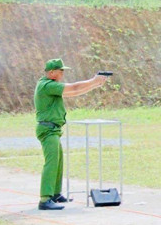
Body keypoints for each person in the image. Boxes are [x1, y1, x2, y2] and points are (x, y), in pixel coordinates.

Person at [34, 59, 108, 211]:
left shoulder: (49, 85)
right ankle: (45, 198)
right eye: (60, 70)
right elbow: (73, 87)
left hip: (53, 129)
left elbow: (74, 92)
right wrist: (93, 81)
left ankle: (55, 193)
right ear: (51, 72)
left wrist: (94, 84)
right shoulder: (47, 85)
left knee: (58, 161)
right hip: (48, 129)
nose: (62, 73)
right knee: (51, 162)